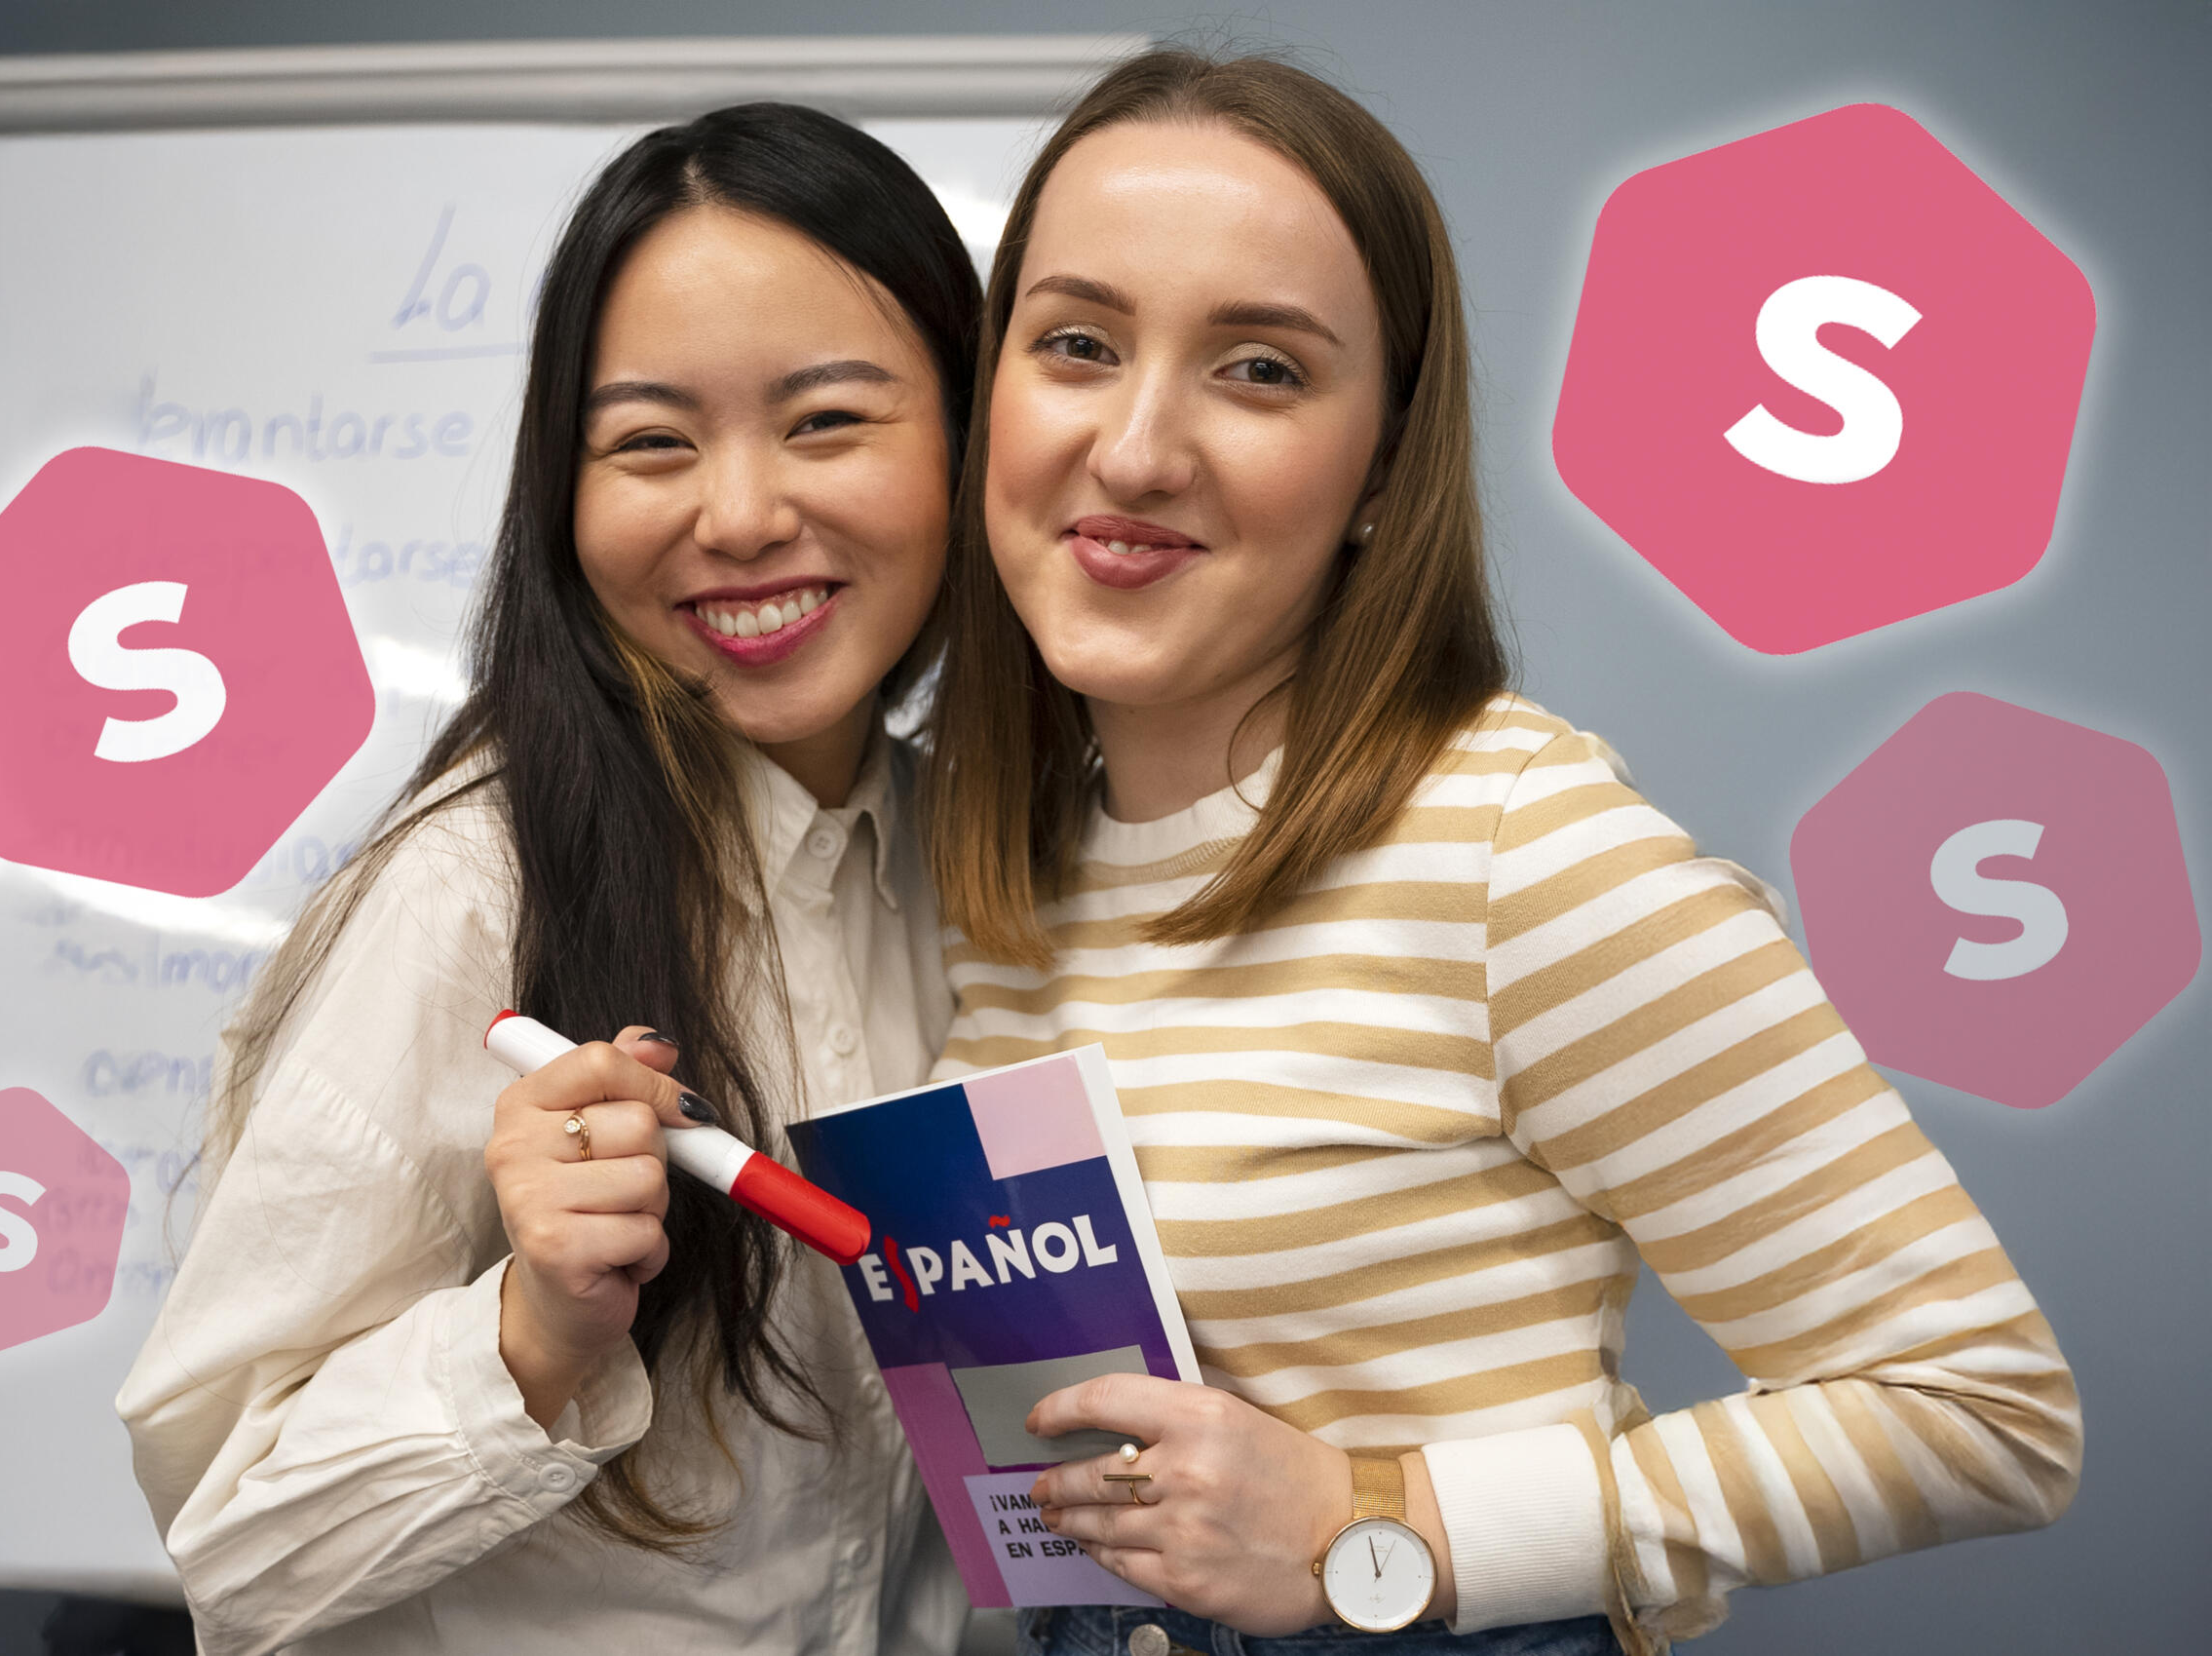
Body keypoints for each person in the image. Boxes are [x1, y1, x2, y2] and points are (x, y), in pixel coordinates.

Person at [924, 49, 2080, 1656]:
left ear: (1384, 469)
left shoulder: (1514, 857)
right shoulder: (982, 874)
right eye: (1075, 345)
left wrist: (1371, 1522)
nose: (1133, 448)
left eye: (1258, 370)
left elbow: (1986, 1408)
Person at [118, 102, 981, 1656]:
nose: (738, 516)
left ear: (970, 441)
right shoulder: (469, 890)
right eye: (650, 441)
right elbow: (234, 1551)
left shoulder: (964, 862)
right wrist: (534, 1336)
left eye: (828, 422)